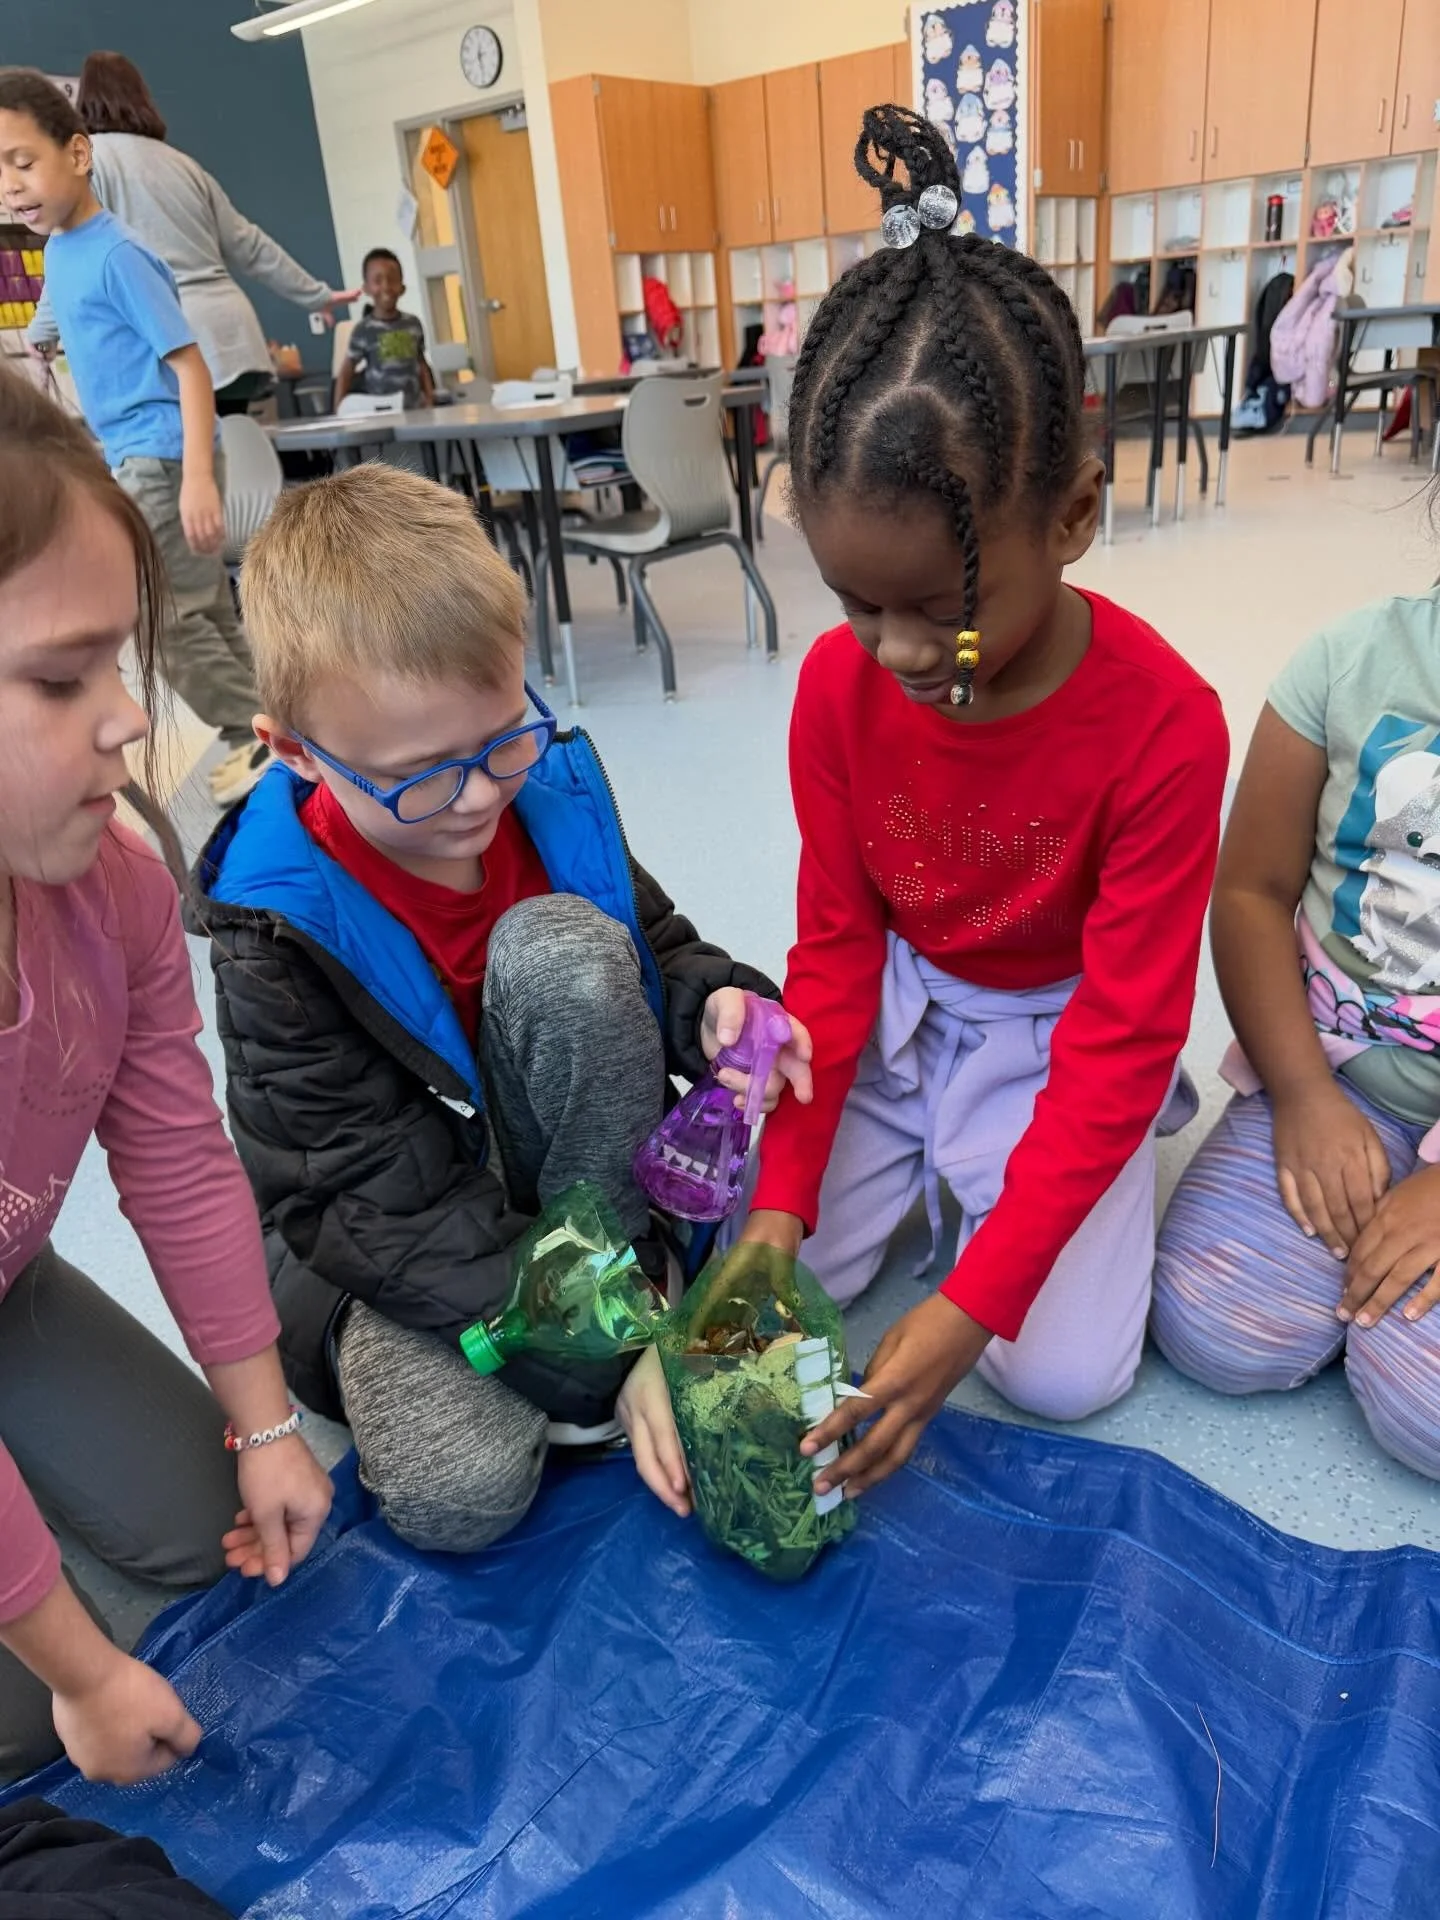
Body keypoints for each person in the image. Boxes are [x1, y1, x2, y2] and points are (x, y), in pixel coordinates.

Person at [735, 107, 1229, 1499]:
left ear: (1071, 518)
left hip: (1052, 1028)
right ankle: (927, 1173)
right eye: (850, 602)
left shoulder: (1166, 726)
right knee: (754, 1278)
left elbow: (1127, 1033)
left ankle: (981, 1189)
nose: (887, 652)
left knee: (1060, 1374)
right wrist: (781, 1204)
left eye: (935, 610)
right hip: (892, 1012)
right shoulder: (839, 691)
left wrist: (969, 1311)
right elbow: (832, 948)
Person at [190, 462, 809, 1552]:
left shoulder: (545, 798)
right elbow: (370, 1208)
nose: (476, 797)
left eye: (503, 739)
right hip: (401, 1241)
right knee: (458, 1497)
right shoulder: (273, 930)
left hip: (563, 1181)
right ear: (293, 750)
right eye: (421, 778)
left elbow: (656, 945)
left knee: (570, 952)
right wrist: (611, 1352)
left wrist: (713, 1004)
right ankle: (619, 1323)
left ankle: (627, 1277)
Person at [0, 363, 333, 1789]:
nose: (131, 720)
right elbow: (73, 1679)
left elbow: (179, 1159)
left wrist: (264, 1420)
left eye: (119, 664)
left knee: (212, 1510)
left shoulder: (114, 886)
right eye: (64, 679)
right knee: (31, 1719)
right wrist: (73, 1667)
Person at [1152, 576, 1440, 1480]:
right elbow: (1250, 893)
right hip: (1334, 1071)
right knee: (1209, 1326)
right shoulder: (1345, 662)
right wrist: (1304, 1093)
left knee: (1425, 1409)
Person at [0, 69, 269, 809]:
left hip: (165, 455)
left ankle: (254, 733)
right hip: (137, 455)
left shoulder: (120, 253)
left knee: (164, 618)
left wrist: (198, 480)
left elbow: (188, 366)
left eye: (23, 163)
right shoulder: (60, 248)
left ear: (78, 154)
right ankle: (267, 729)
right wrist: (38, 346)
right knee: (205, 606)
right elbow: (60, 314)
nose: (10, 186)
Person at [28, 51, 352, 416]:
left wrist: (41, 334)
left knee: (182, 466)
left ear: (83, 102)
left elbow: (68, 255)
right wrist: (317, 296)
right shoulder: (185, 165)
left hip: (170, 341)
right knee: (229, 463)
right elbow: (250, 245)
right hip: (232, 339)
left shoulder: (90, 164)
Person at [334, 248, 435, 411]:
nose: (386, 286)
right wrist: (338, 410)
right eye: (377, 280)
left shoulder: (413, 324)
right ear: (366, 288)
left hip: (416, 411)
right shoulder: (363, 331)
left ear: (402, 287)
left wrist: (430, 400)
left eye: (393, 279)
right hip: (381, 412)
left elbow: (421, 364)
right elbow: (347, 370)